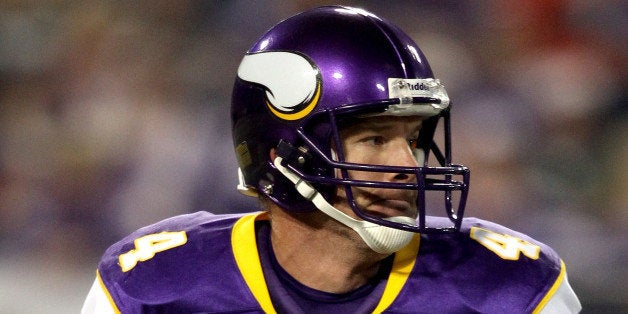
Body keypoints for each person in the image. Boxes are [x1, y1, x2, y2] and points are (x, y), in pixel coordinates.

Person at [82, 6, 581, 313]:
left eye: (413, 137)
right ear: (282, 155)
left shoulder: (508, 289)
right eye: (374, 138)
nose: (409, 165)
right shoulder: (156, 287)